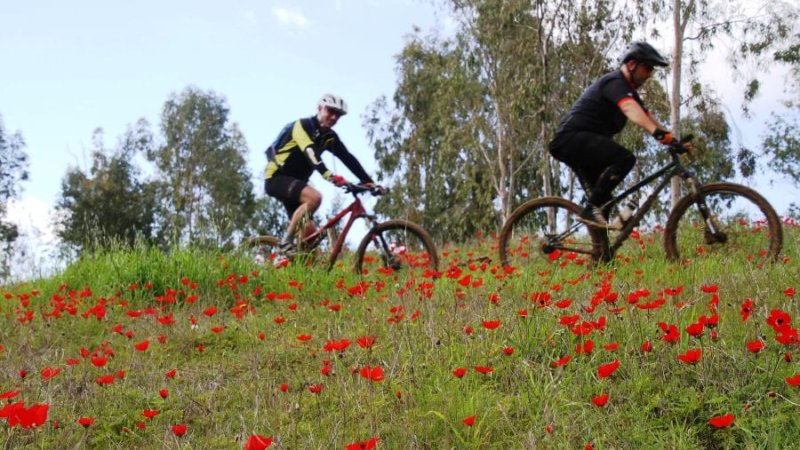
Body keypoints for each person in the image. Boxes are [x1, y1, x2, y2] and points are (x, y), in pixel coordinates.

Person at [549, 41, 679, 229]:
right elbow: (629, 108)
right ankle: (591, 208)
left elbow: (648, 116)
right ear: (632, 64)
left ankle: (603, 255)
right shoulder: (615, 82)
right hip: (569, 140)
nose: (650, 74)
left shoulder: (630, 92)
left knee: (604, 205)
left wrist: (672, 139)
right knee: (625, 159)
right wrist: (657, 133)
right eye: (647, 68)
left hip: (582, 144)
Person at [264, 93, 382, 262]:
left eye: (338, 115)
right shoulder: (303, 125)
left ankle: (295, 273)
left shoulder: (330, 137)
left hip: (297, 186)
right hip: (276, 178)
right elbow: (310, 151)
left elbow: (348, 158)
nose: (334, 117)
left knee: (310, 243)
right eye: (330, 111)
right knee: (315, 197)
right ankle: (286, 242)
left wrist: (368, 182)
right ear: (319, 108)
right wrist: (329, 175)